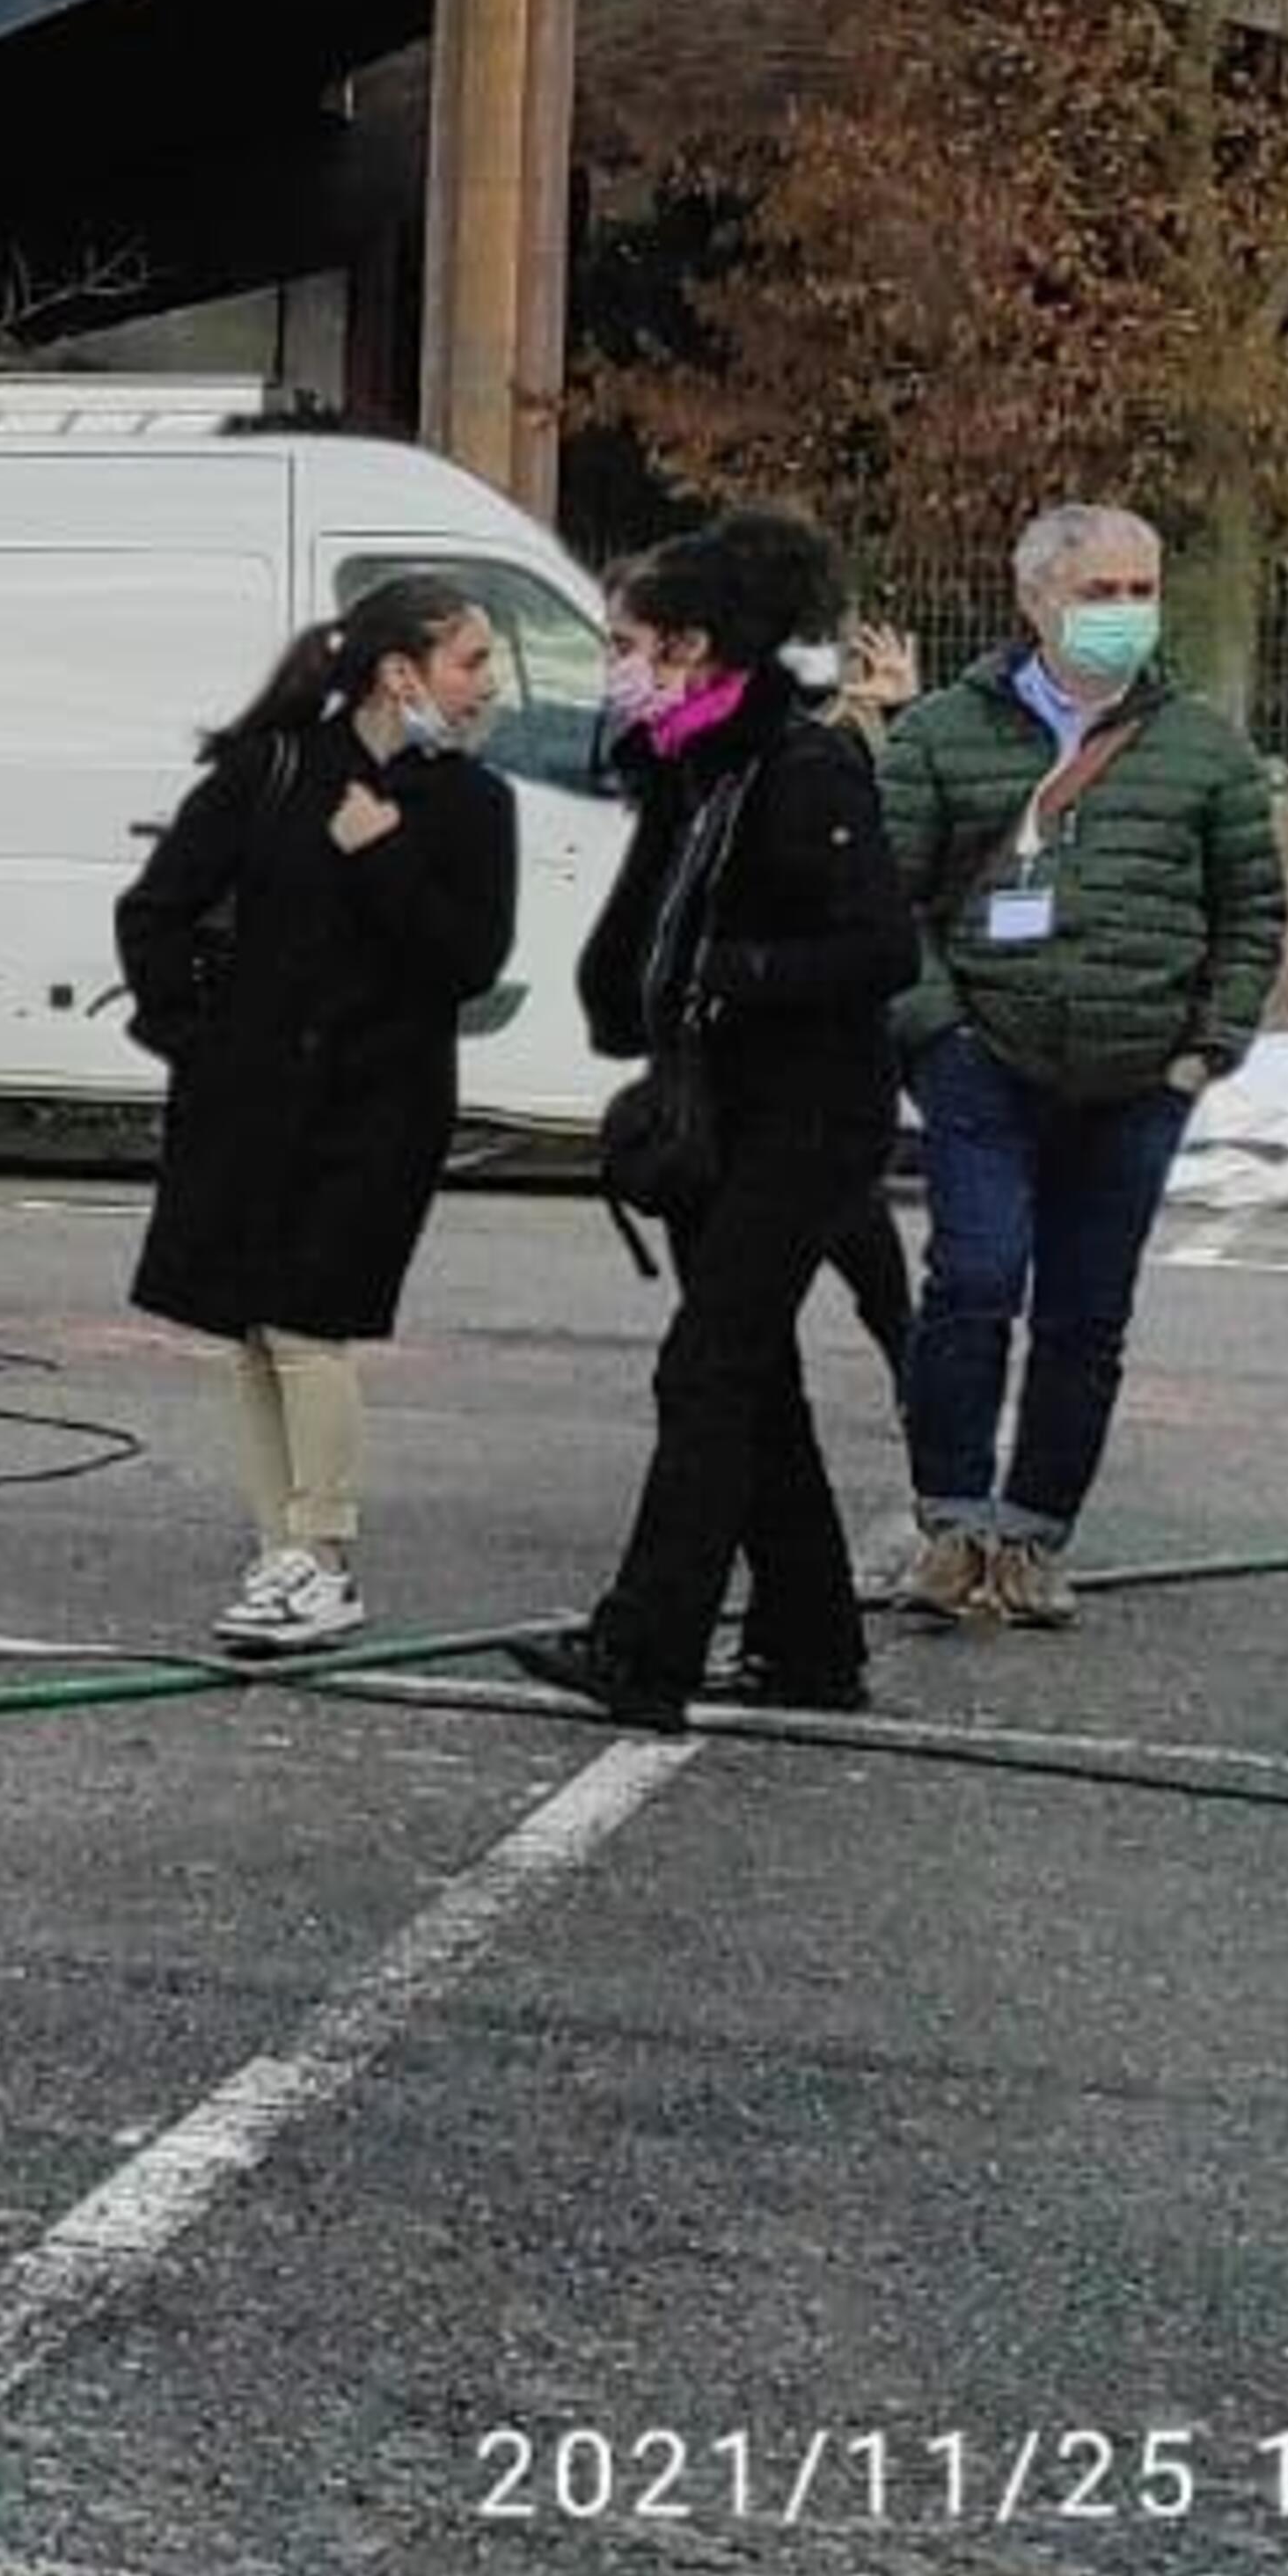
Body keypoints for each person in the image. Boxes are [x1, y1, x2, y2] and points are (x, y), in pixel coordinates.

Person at [510, 508, 917, 1737]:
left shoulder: (800, 770)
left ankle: (650, 1642)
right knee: (751, 1380)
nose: (615, 666)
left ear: (693, 647)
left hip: (803, 1119)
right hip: (714, 1114)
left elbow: (879, 947)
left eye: (630, 642)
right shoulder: (695, 771)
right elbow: (642, 932)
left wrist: (730, 975)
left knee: (707, 1370)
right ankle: (808, 1639)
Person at [873, 501, 1286, 1633]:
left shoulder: (1203, 747)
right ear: (1036, 600)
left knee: (1087, 1315)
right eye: (1099, 591)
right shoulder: (943, 737)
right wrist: (939, 1035)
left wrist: (1207, 1051)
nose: (1123, 614)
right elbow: (884, 904)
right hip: (984, 1065)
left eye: (1139, 590)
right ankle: (952, 1521)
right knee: (975, 1281)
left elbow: (1253, 911)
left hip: (1140, 1076)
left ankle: (1038, 1534)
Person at [118, 575, 520, 1660]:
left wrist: (383, 854)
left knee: (310, 1320)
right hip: (248, 1097)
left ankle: (323, 1553)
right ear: (402, 671)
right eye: (471, 661)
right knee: (248, 1327)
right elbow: (154, 911)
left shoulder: (474, 805)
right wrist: (197, 1038)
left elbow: (469, 960)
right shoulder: (273, 770)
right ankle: (281, 1548)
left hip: (380, 1104)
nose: (487, 687)